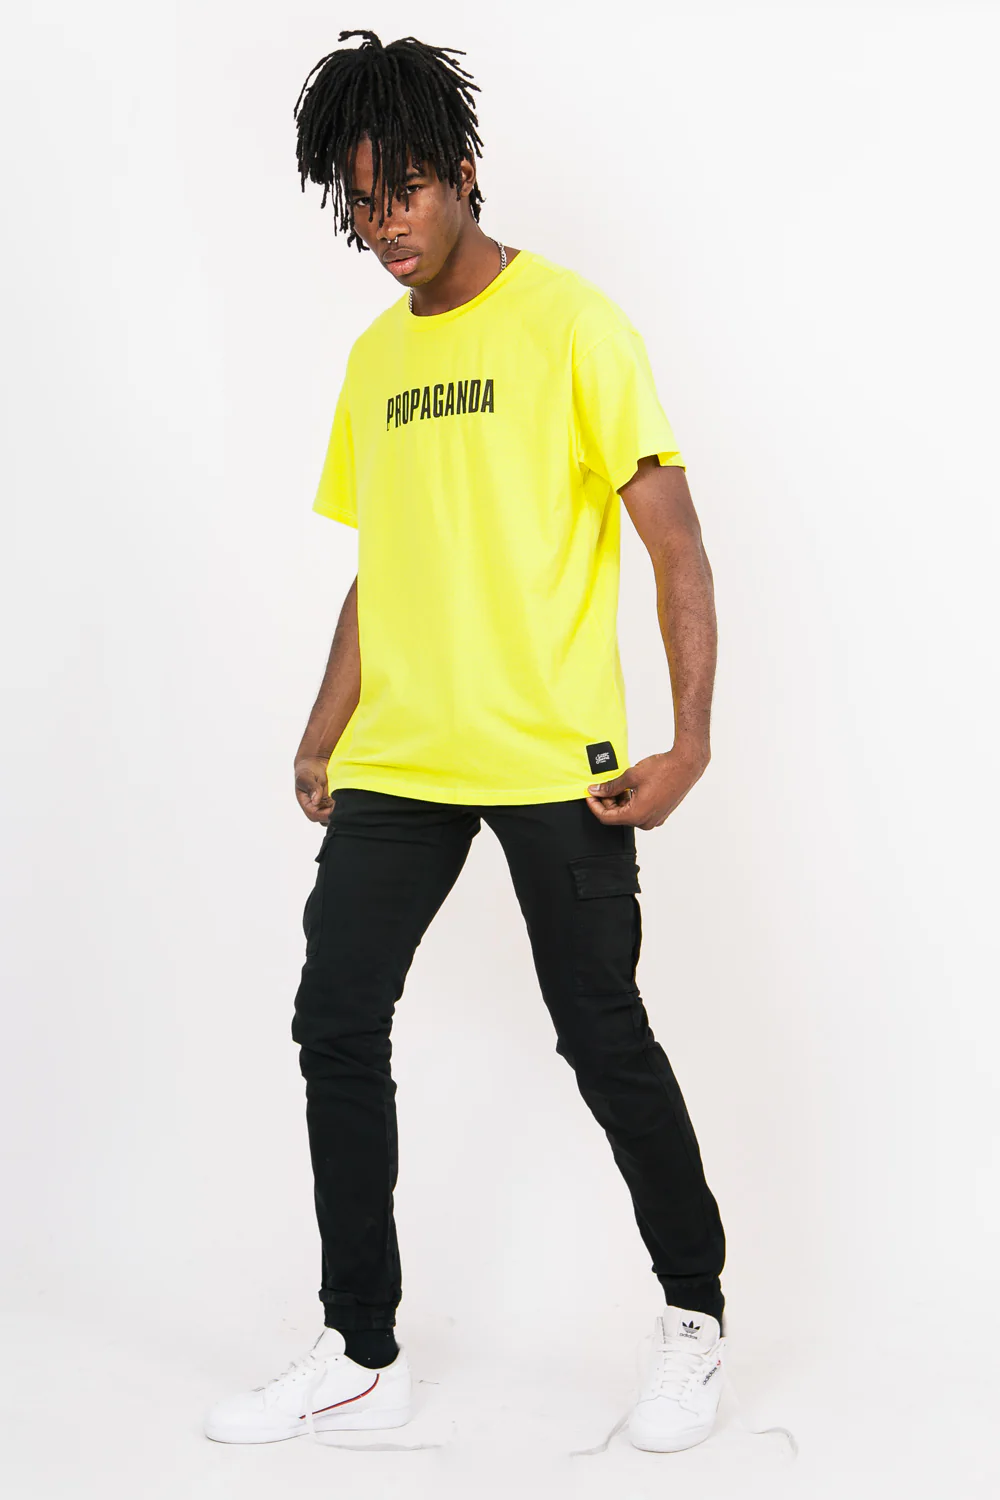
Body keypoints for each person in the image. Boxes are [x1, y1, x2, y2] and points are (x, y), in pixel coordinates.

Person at [204, 28, 727, 1454]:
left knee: (600, 1034)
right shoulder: (375, 361)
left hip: (556, 758)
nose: (385, 226)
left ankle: (694, 1317)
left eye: (407, 192)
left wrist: (688, 742)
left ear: (465, 173)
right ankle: (362, 1350)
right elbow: (384, 567)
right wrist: (323, 730)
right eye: (361, 200)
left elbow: (674, 541)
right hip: (402, 760)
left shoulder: (573, 324)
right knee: (334, 1019)